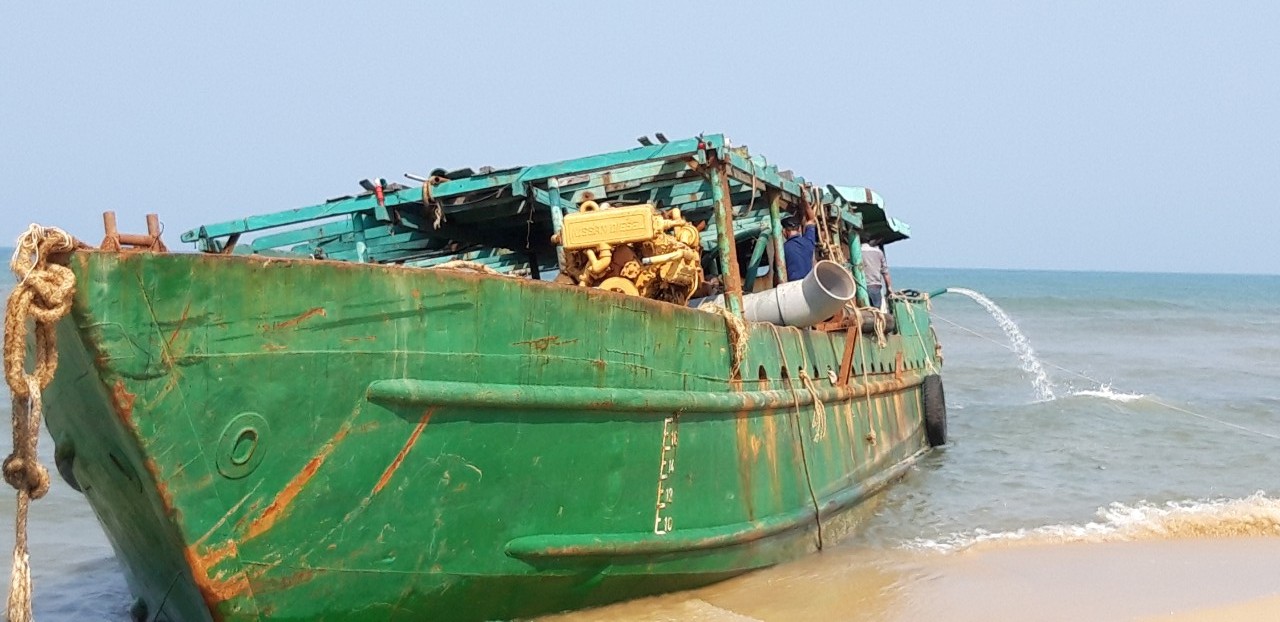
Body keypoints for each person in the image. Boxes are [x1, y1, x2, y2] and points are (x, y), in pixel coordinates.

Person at [782, 201, 818, 280]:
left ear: (784, 231)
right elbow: (812, 219)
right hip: (808, 283)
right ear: (799, 229)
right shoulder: (808, 241)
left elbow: (778, 275)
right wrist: (805, 201)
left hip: (792, 285)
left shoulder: (782, 249)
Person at [861, 238, 892, 309]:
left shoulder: (857, 252)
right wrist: (889, 288)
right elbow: (885, 272)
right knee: (876, 311)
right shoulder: (879, 252)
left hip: (861, 286)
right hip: (875, 286)